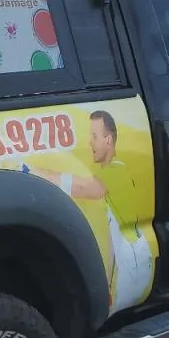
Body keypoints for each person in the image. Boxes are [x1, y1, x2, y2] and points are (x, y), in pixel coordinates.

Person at [24, 109, 155, 312]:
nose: (90, 143)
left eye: (94, 136)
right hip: (129, 261)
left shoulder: (115, 171)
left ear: (108, 139)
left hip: (135, 261)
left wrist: (28, 172)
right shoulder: (110, 170)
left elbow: (84, 187)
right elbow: (113, 244)